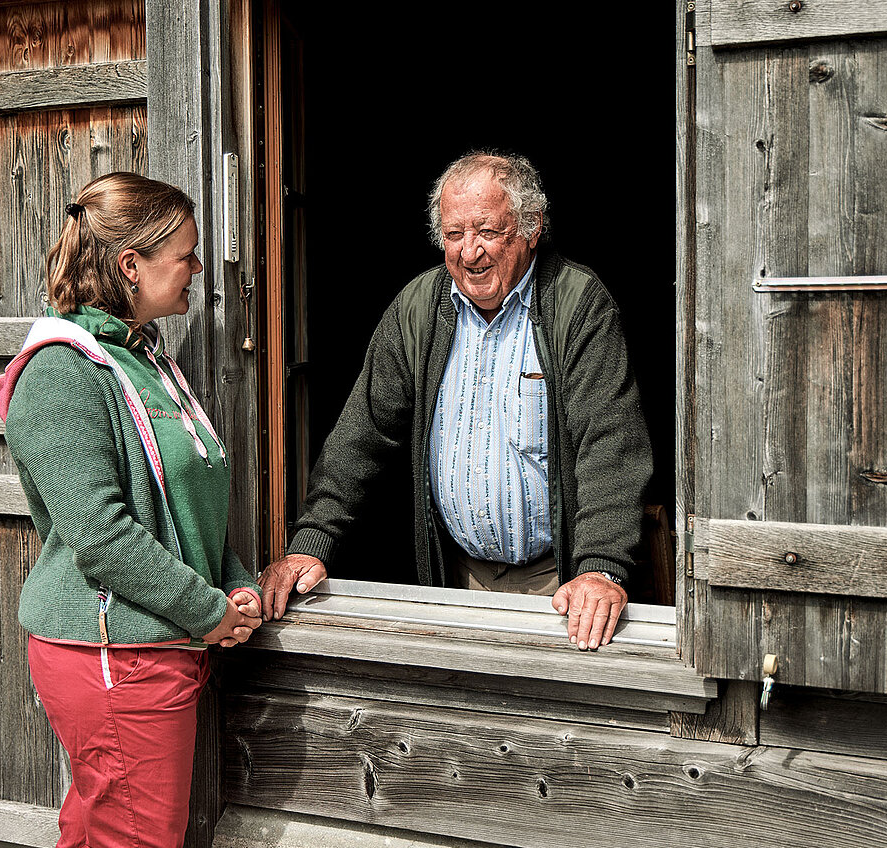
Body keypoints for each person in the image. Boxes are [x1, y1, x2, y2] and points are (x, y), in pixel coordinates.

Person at [259, 152, 651, 651]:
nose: (469, 253)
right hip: (457, 577)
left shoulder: (577, 303)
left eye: (487, 231)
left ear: (532, 228)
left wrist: (600, 568)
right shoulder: (419, 308)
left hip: (561, 586)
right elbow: (363, 433)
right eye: (453, 235)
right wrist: (312, 541)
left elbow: (610, 444)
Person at [0, 171, 261, 848]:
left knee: (97, 840)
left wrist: (234, 582)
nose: (199, 269)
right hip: (113, 657)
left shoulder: (144, 361)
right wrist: (208, 613)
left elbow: (190, 503)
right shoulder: (62, 371)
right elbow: (100, 537)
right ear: (129, 265)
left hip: (155, 645)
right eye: (186, 256)